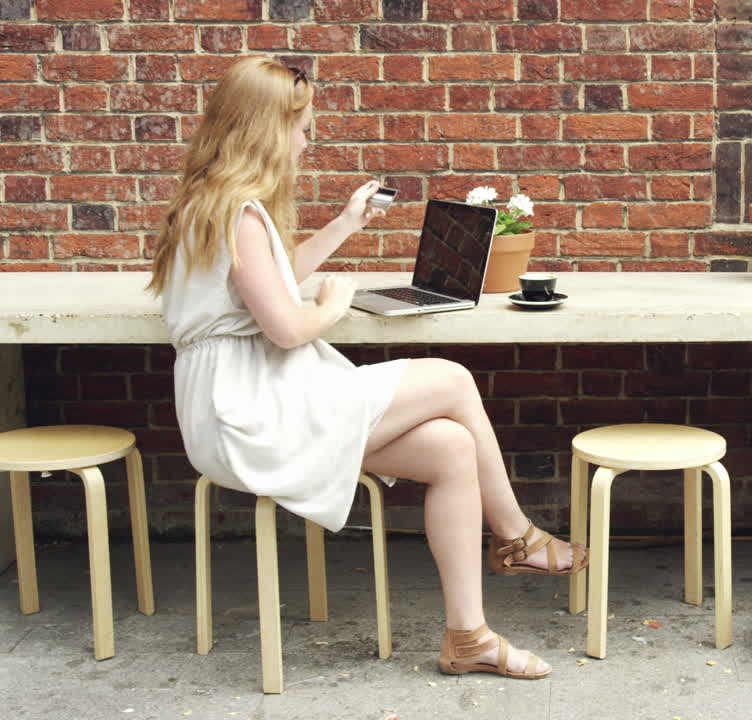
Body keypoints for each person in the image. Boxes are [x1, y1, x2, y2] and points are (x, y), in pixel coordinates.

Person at [146, 56, 585, 680]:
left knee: (453, 449)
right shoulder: (238, 212)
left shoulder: (211, 202)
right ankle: (519, 538)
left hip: (249, 404)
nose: (305, 141)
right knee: (455, 380)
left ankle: (470, 637)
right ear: (266, 129)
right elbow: (287, 324)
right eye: (300, 128)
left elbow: (271, 280)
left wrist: (347, 222)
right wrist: (334, 306)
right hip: (254, 416)